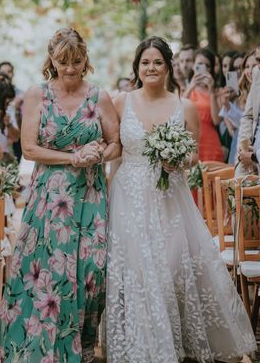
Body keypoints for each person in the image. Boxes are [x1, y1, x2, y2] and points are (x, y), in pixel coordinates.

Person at [106, 36, 255, 362]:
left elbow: (192, 155)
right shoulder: (120, 103)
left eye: (158, 62)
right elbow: (115, 153)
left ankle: (175, 339)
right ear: (137, 67)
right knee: (137, 268)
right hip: (128, 195)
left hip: (170, 195)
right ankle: (144, 344)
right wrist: (106, 193)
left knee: (172, 265)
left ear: (168, 66)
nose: (151, 67)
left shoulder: (184, 106)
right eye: (145, 62)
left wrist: (178, 160)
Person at [0, 28, 120, 363]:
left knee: (91, 271)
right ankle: (40, 349)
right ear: (51, 59)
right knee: (49, 273)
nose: (70, 68)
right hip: (49, 197)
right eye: (63, 61)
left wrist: (99, 154)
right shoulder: (38, 95)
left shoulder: (99, 96)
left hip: (90, 196)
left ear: (86, 59)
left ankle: (82, 346)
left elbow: (115, 143)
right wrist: (72, 158)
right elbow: (29, 148)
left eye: (77, 61)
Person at [184, 47, 224, 161]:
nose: (204, 68)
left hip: (210, 143)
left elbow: (216, 120)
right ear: (193, 65)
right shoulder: (187, 89)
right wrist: (191, 87)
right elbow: (177, 112)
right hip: (190, 142)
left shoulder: (217, 91)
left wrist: (211, 91)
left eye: (207, 66)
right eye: (200, 64)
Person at [236, 45, 260, 175]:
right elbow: (248, 117)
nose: (257, 67)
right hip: (250, 156)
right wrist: (243, 149)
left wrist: (255, 156)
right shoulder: (258, 73)